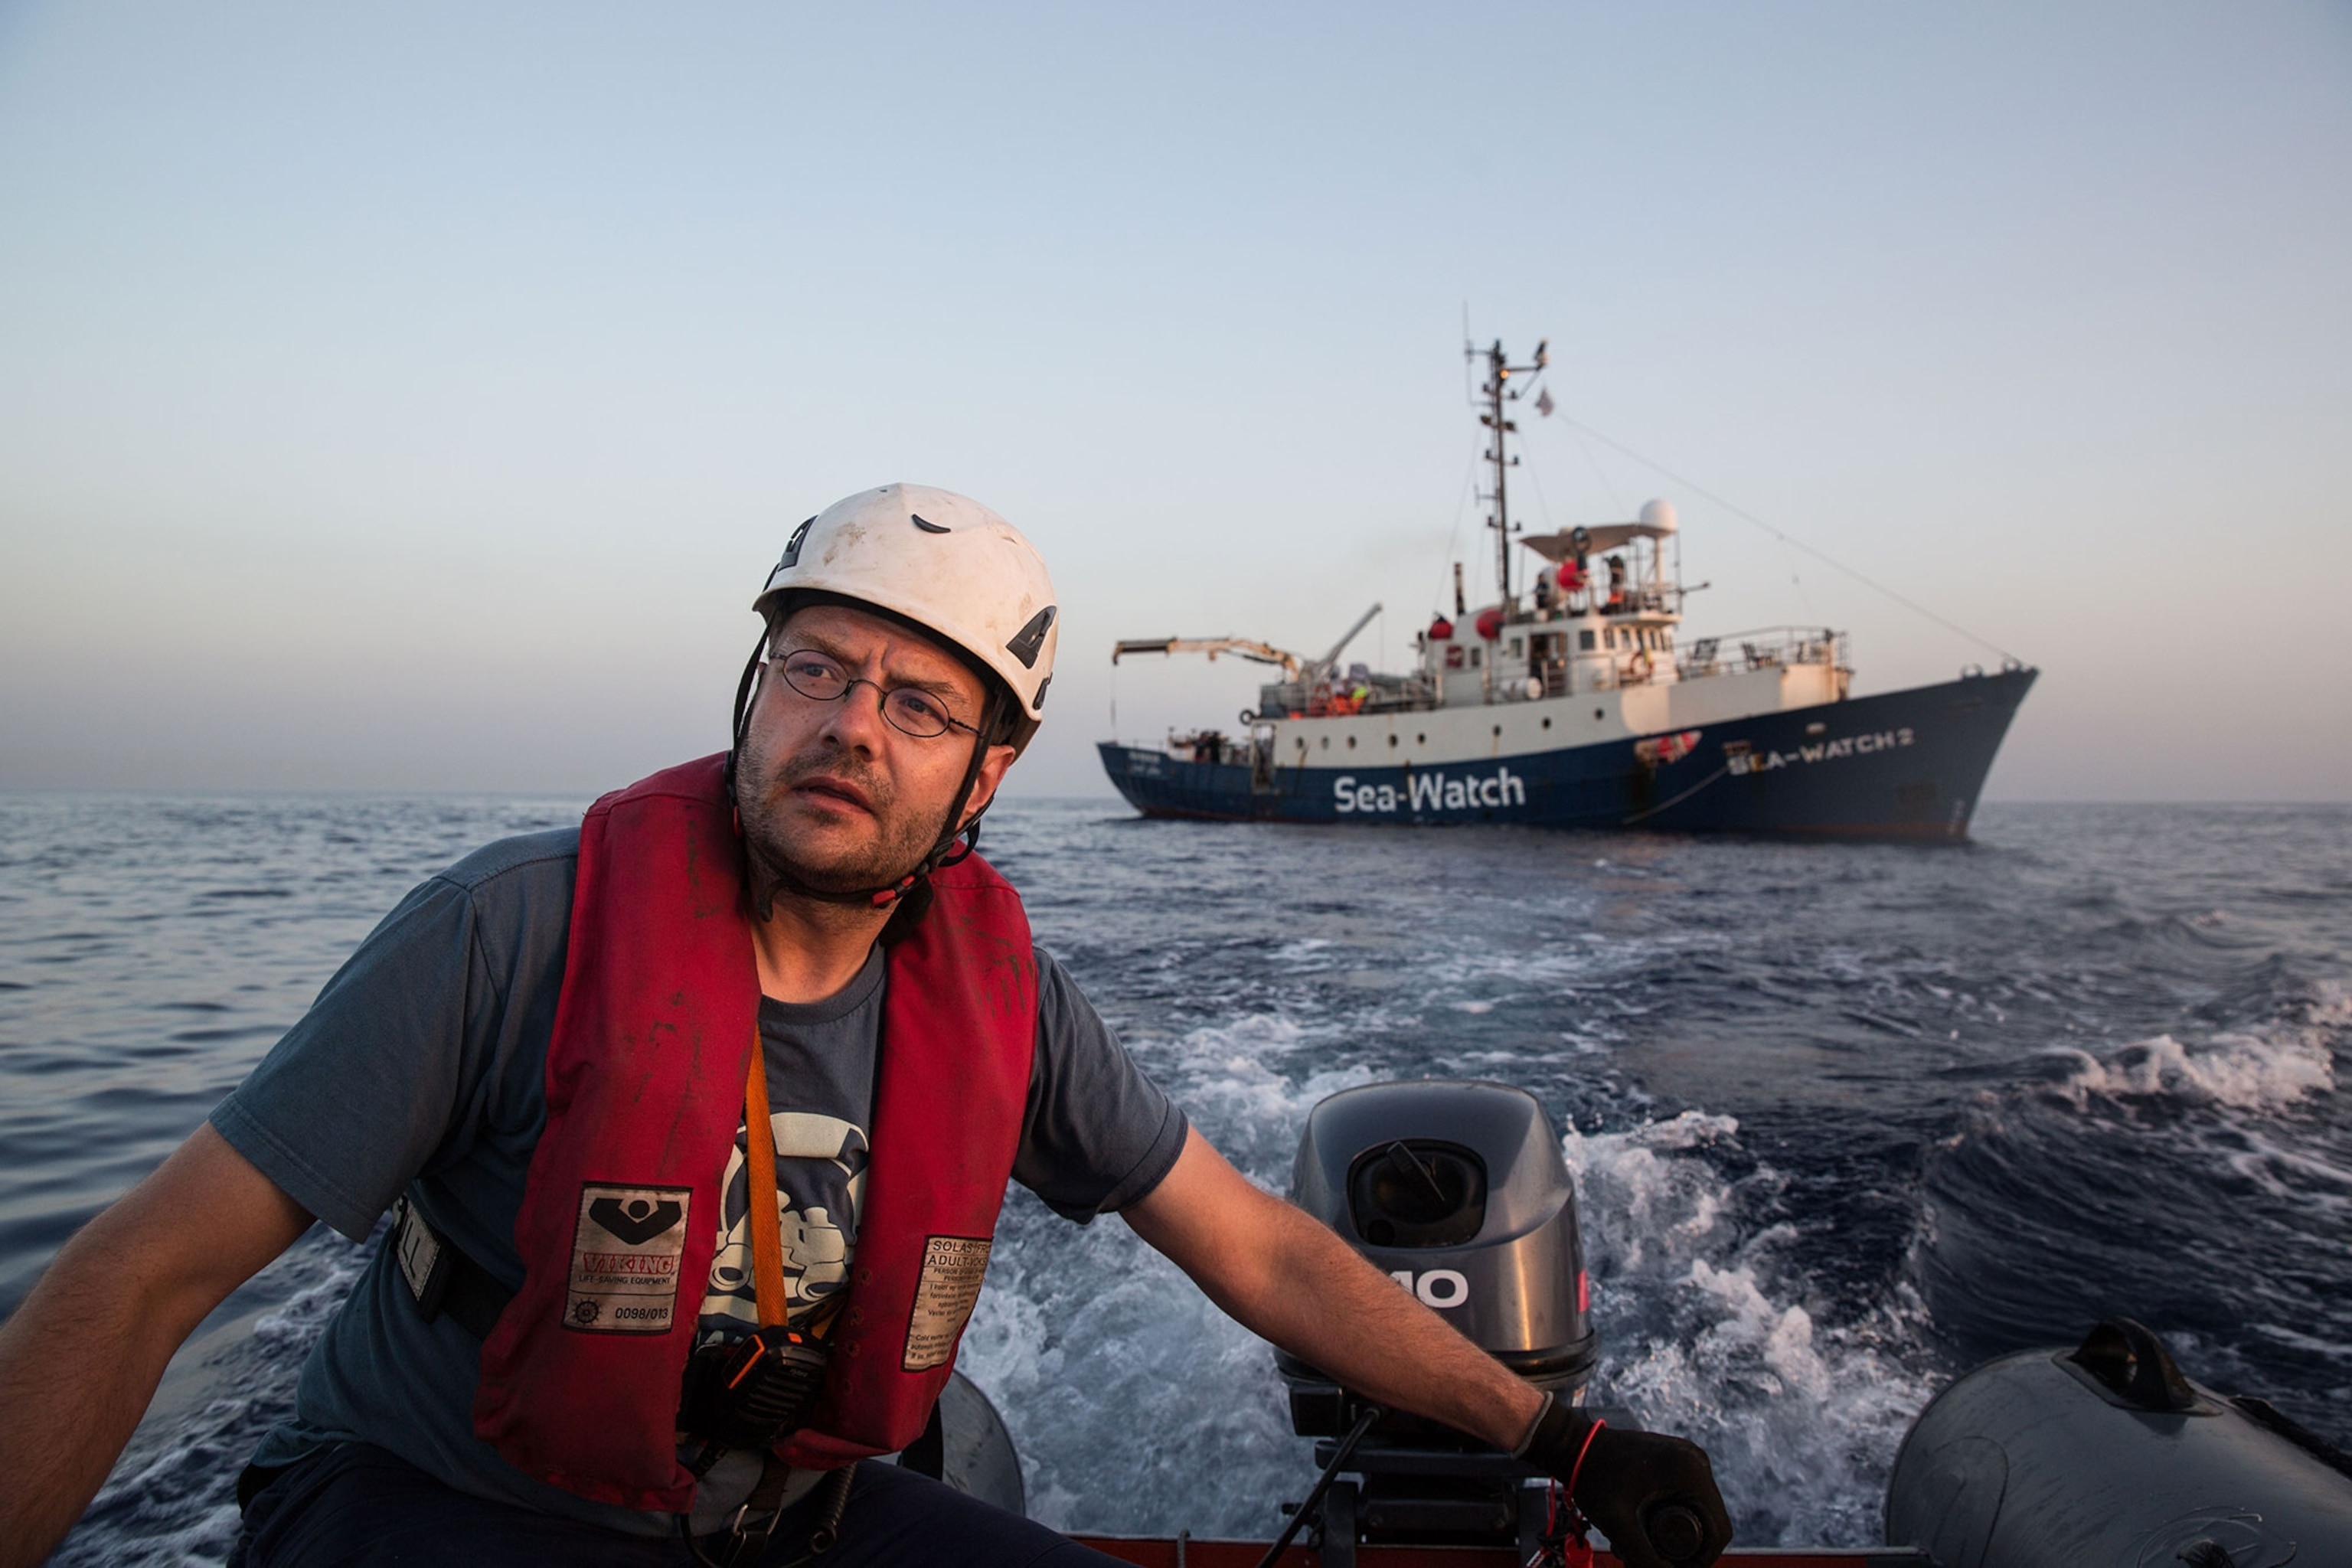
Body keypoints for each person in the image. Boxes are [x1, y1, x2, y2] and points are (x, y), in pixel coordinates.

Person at [0, 484, 1731, 1568]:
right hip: (435, 1501)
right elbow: (138, 1273)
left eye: (918, 702)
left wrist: (1559, 1435)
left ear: (988, 769)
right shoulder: (507, 933)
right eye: (816, 673)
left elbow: (1265, 1257)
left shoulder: (1004, 1006)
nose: (851, 728)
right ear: (755, 699)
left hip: (782, 1513)